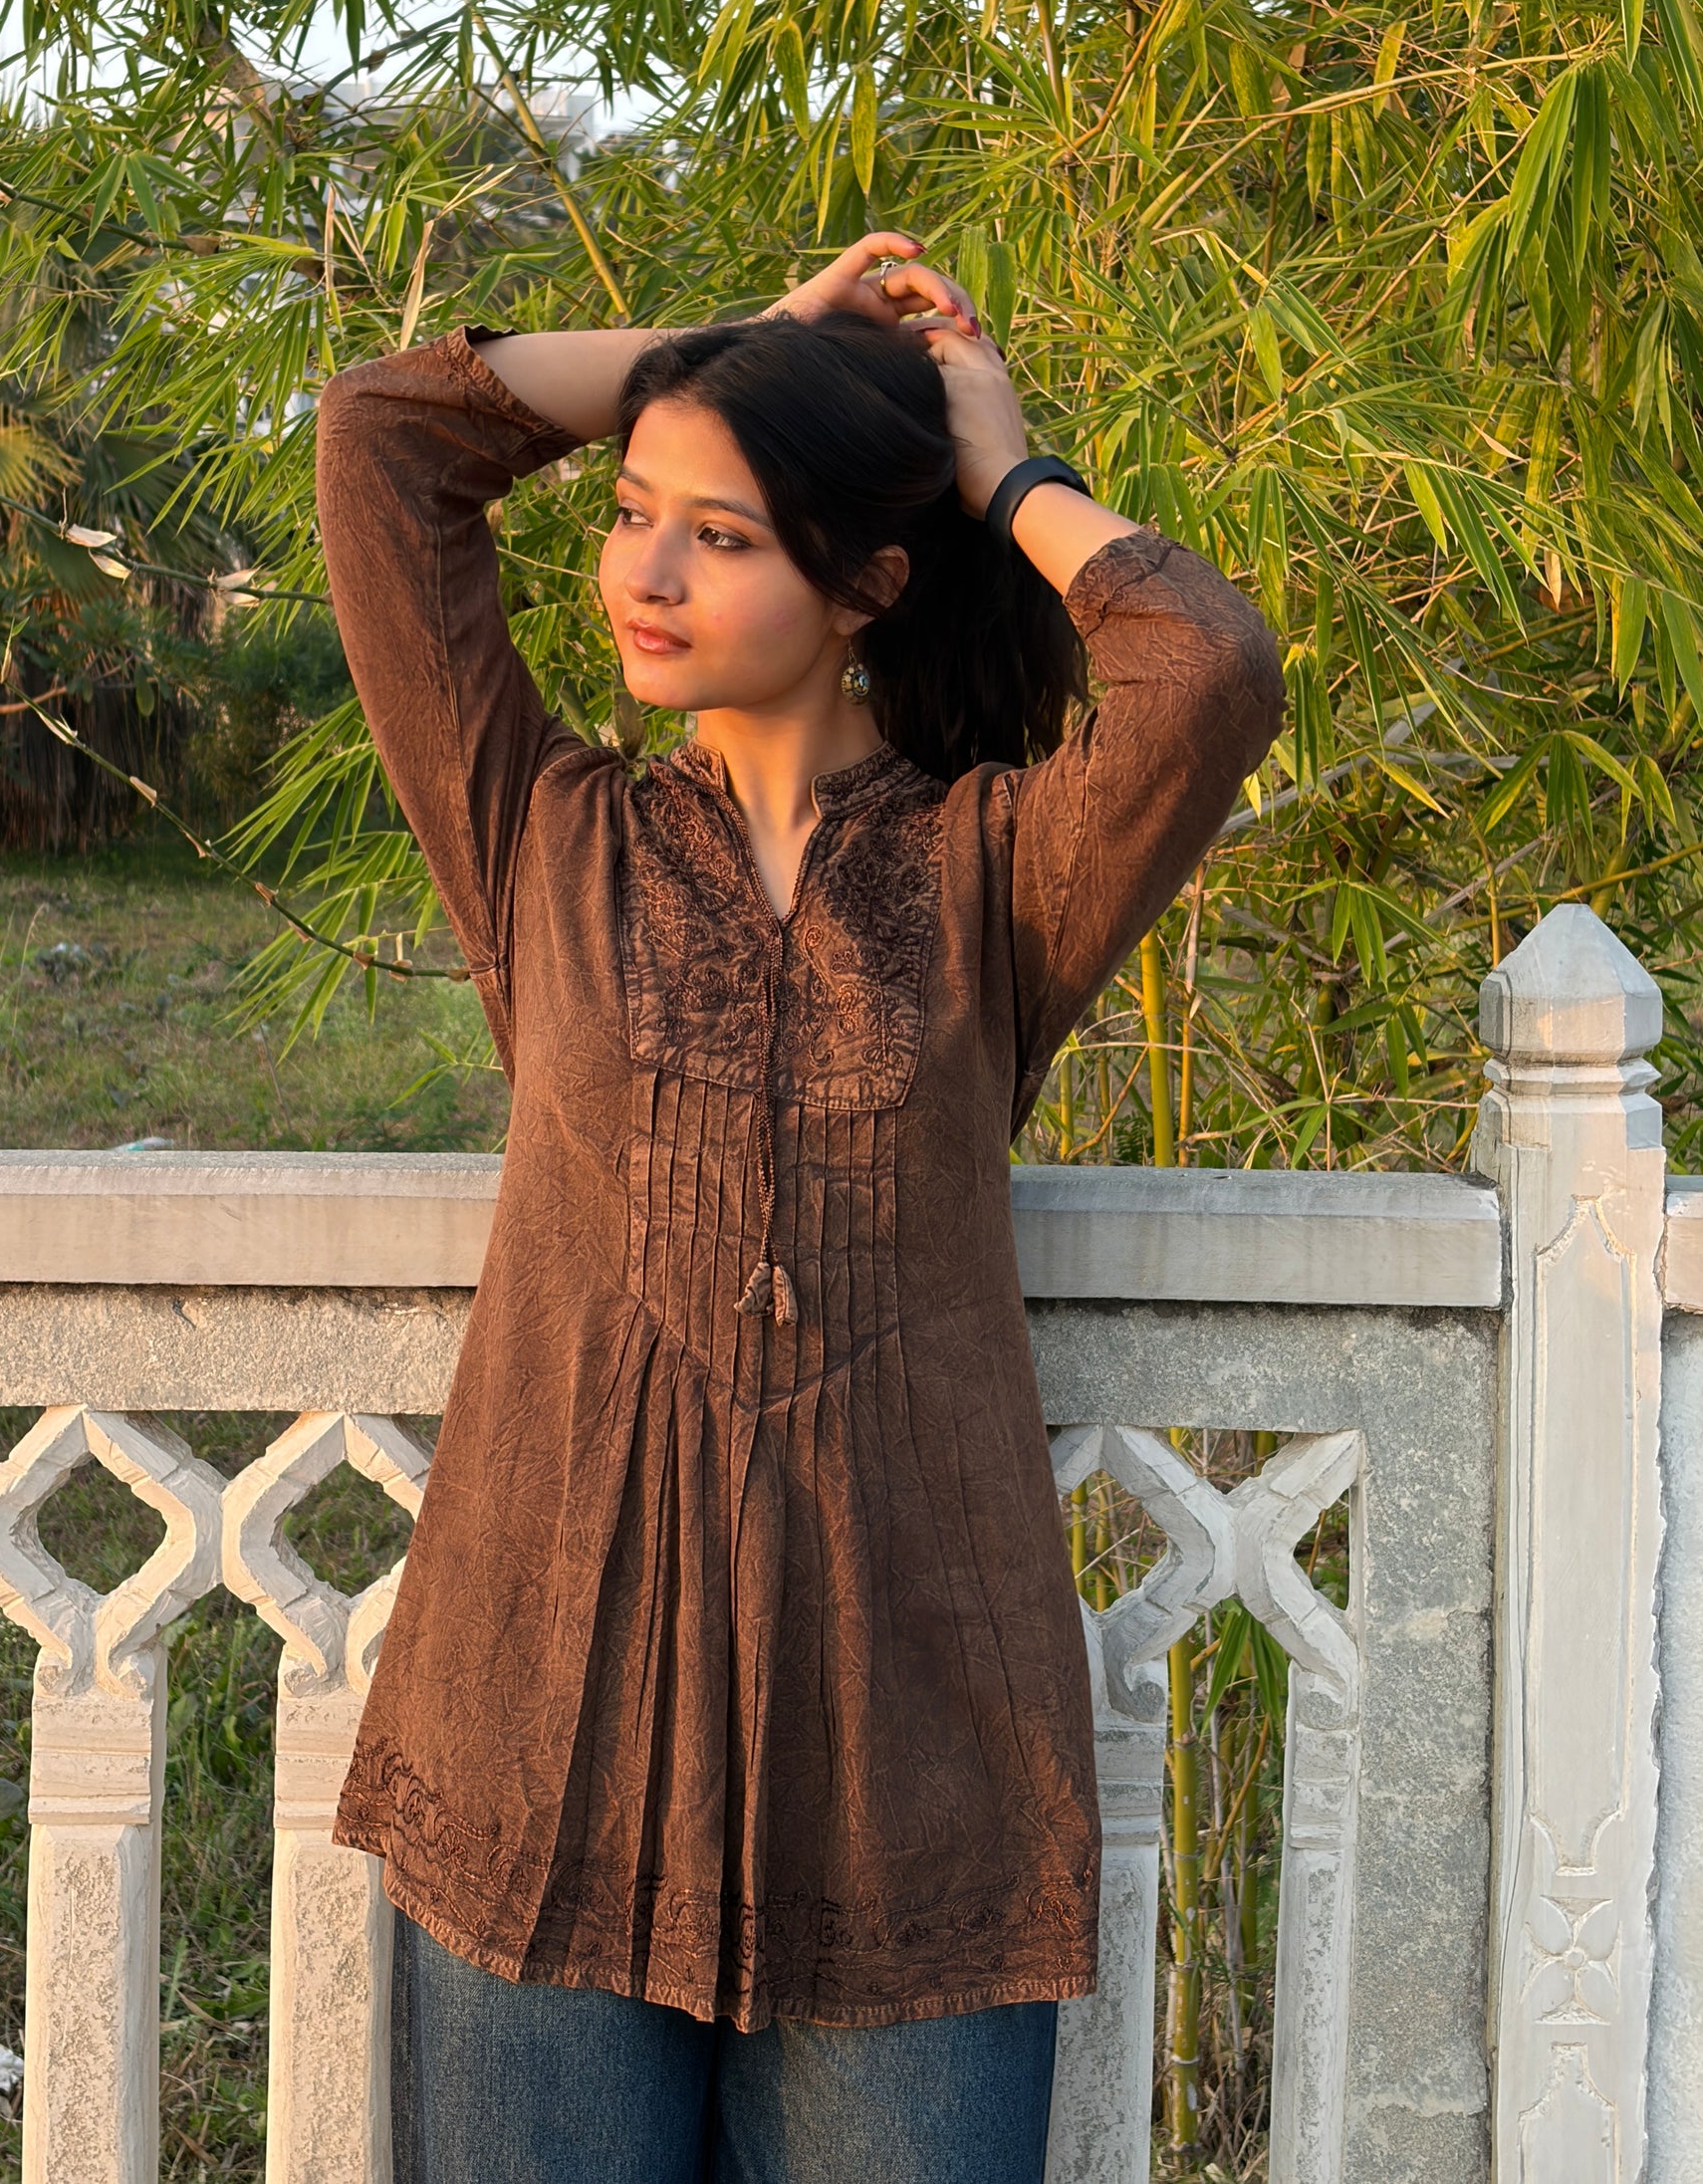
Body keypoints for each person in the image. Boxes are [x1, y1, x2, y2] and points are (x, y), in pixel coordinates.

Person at [316, 230, 1286, 2184]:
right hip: (543, 1746)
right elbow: (383, 436)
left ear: (866, 585)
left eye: (724, 535)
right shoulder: (543, 838)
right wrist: (729, 352)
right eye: (634, 516)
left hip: (911, 1780)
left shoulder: (994, 875)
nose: (645, 575)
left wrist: (1000, 467)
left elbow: (1207, 671)